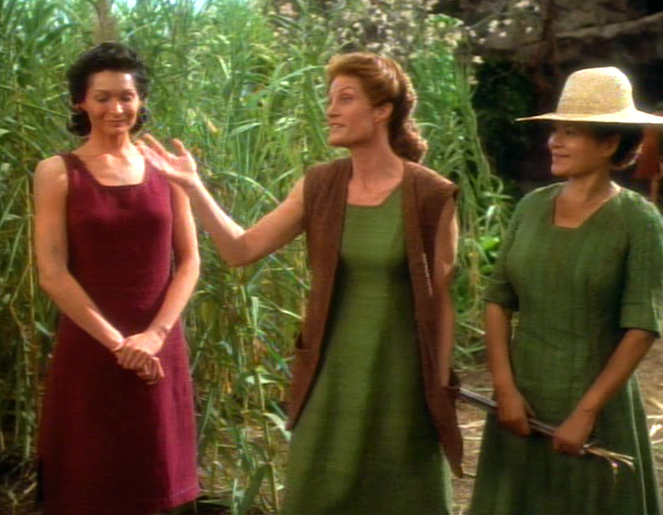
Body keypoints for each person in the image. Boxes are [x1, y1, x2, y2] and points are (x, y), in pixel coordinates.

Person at [139, 51, 463, 514]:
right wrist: (194, 187)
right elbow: (240, 250)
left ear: (382, 110)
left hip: (402, 379)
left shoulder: (431, 194)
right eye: (329, 99)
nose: (330, 110)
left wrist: (440, 385)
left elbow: (443, 302)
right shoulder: (321, 184)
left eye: (345, 99)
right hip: (330, 372)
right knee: (319, 490)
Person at [469, 67, 663, 514]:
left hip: (594, 406)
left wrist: (586, 412)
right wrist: (505, 389)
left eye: (570, 133)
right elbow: (498, 299)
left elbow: (642, 327)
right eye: (555, 131)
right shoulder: (531, 207)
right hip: (521, 403)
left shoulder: (638, 221)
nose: (554, 142)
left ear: (609, 143)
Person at [33, 42, 200, 515]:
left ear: (141, 100)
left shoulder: (166, 170)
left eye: (126, 96)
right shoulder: (57, 173)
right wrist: (121, 345)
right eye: (102, 97)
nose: (116, 108)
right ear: (80, 103)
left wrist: (154, 337)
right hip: (91, 348)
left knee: (154, 480)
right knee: (89, 481)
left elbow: (190, 261)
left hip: (159, 347)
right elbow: (52, 273)